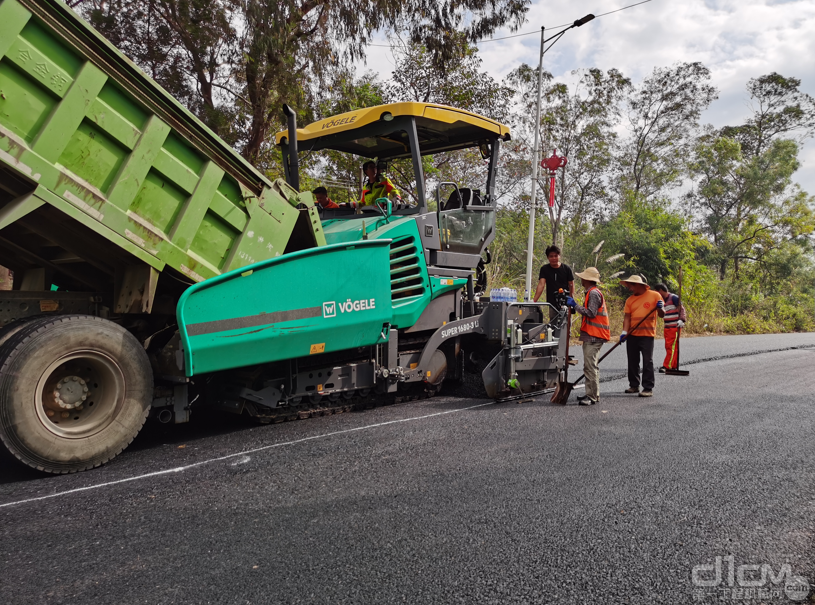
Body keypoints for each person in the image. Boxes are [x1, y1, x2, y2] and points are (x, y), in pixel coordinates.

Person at [565, 267, 610, 406]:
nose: (581, 279)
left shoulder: (594, 293)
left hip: (595, 335)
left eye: (583, 277)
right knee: (589, 366)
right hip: (591, 334)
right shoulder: (591, 292)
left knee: (590, 366)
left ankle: (592, 396)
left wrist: (575, 305)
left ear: (587, 279)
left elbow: (591, 313)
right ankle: (591, 393)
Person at [619, 275, 664, 398]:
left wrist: (661, 308)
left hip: (647, 335)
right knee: (632, 361)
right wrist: (624, 332)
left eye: (631, 286)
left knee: (647, 361)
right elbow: (627, 317)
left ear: (638, 285)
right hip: (632, 334)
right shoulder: (629, 300)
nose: (630, 289)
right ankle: (634, 385)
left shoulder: (655, 296)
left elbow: (661, 315)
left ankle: (648, 387)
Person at [533, 245, 575, 318]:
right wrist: (534, 301)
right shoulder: (544, 269)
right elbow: (541, 285)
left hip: (565, 302)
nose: (554, 258)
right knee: (553, 325)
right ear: (547, 257)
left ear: (559, 256)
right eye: (551, 256)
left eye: (556, 256)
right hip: (552, 303)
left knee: (566, 326)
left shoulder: (566, 269)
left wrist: (571, 300)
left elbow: (571, 285)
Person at [655, 283, 687, 373]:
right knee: (670, 346)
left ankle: (666, 366)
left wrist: (682, 319)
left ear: (661, 290)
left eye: (657, 292)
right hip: (667, 327)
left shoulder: (674, 297)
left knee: (671, 346)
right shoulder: (662, 301)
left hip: (674, 327)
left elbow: (682, 309)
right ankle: (673, 365)